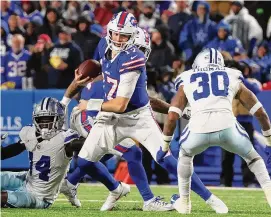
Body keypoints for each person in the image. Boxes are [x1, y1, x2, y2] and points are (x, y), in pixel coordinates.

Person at [76, 12, 228, 213]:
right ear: (109, 32)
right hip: (110, 117)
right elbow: (106, 73)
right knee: (84, 161)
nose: (119, 40)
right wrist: (80, 85)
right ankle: (116, 188)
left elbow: (123, 104)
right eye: (116, 34)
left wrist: (91, 104)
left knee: (164, 157)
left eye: (125, 37)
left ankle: (209, 198)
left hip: (137, 117)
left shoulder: (134, 59)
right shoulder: (104, 45)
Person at [60, 27, 174, 211]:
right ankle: (123, 191)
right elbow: (79, 81)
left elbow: (142, 101)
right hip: (89, 117)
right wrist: (65, 103)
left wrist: (172, 109)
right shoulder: (112, 65)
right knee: (125, 152)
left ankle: (71, 182)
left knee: (127, 153)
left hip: (100, 116)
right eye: (138, 49)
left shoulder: (121, 66)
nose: (139, 55)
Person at [162, 48, 271, 213]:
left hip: (197, 130)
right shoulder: (231, 74)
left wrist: (165, 145)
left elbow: (172, 117)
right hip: (227, 127)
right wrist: (269, 142)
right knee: (254, 159)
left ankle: (184, 203)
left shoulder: (187, 77)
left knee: (185, 156)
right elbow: (260, 112)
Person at [1, 97, 82, 208]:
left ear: (59, 119)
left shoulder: (66, 140)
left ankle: (66, 186)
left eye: (49, 119)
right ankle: (65, 186)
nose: (44, 124)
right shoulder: (31, 134)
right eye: (41, 120)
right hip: (27, 180)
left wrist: (85, 132)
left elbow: (88, 147)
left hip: (40, 197)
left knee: (2, 198)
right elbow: (4, 154)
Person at [179, 1, 216, 68]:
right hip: (192, 55)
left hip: (207, 56)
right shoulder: (190, 24)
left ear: (207, 10)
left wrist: (206, 49)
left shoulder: (212, 26)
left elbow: (216, 40)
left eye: (203, 9)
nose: (201, 11)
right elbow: (184, 38)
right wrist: (189, 49)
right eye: (199, 9)